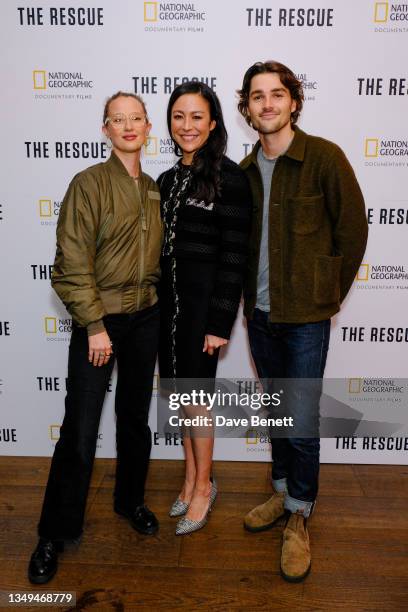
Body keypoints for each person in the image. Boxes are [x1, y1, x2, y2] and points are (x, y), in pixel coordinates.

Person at [237, 61, 368, 582]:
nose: (267, 104)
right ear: (247, 109)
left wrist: (325, 295)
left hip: (306, 318)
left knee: (301, 418)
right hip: (260, 313)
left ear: (293, 101)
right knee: (275, 409)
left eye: (277, 94)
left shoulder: (324, 159)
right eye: (257, 96)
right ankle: (281, 489)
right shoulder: (243, 173)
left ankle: (300, 514)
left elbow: (353, 231)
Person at [28, 92, 163, 584]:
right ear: (105, 130)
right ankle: (53, 533)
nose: (128, 126)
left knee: (133, 421)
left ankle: (130, 501)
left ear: (149, 128)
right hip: (99, 324)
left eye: (136, 119)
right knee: (81, 431)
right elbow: (69, 264)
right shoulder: (87, 184)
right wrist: (95, 326)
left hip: (145, 320)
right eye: (117, 120)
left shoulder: (153, 188)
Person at [157, 82, 251, 535]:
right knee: (181, 399)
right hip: (167, 310)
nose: (187, 125)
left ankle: (203, 488)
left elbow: (235, 257)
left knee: (197, 403)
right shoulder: (167, 178)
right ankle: (190, 476)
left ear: (213, 122)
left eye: (197, 116)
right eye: (179, 116)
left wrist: (219, 323)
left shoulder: (230, 178)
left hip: (201, 312)